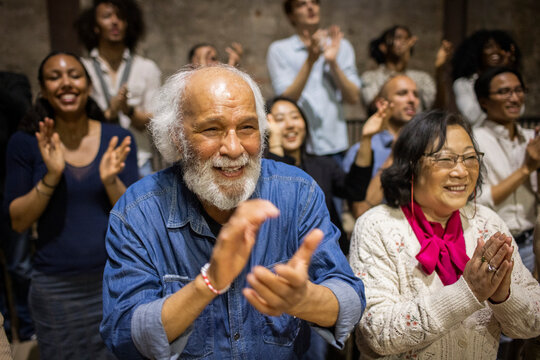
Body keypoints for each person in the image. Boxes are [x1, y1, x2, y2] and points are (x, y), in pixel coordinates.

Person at [100, 65, 365, 359]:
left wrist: (304, 299)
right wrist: (207, 285)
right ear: (177, 137)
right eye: (212, 129)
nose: (234, 148)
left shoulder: (297, 192)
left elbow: (351, 300)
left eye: (247, 128)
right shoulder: (139, 211)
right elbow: (124, 333)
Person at [349, 110, 540, 359]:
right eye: (446, 159)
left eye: (470, 158)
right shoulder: (378, 225)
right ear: (411, 165)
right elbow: (375, 334)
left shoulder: (486, 222)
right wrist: (468, 291)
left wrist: (504, 296)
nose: (461, 171)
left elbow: (532, 323)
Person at [3, 52, 138, 359]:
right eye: (54, 77)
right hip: (55, 289)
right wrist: (51, 175)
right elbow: (18, 221)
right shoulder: (26, 143)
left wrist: (109, 181)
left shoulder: (117, 138)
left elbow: (136, 218)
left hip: (116, 279)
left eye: (74, 75)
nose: (66, 83)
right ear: (43, 88)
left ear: (88, 85)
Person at [266, 96, 371, 254]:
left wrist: (367, 138)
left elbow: (355, 190)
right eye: (279, 120)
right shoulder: (262, 170)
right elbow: (281, 202)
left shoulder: (323, 165)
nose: (289, 125)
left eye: (295, 117)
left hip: (331, 255)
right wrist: (275, 143)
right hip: (287, 258)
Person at [76, 0, 162, 177]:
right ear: (95, 26)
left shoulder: (146, 68)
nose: (115, 22)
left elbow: (155, 120)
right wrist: (110, 113)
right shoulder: (82, 68)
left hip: (138, 159)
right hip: (93, 158)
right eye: (107, 16)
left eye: (121, 17)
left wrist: (128, 110)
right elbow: (77, 120)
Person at [267, 0, 361, 159]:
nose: (310, 7)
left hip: (335, 143)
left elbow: (353, 97)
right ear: (291, 15)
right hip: (300, 147)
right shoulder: (279, 50)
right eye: (302, 4)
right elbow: (286, 99)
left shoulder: (341, 46)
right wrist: (310, 60)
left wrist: (332, 62)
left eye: (315, 2)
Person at [473, 67, 537, 274]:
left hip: (533, 238)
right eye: (504, 92)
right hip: (495, 245)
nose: (515, 98)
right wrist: (526, 168)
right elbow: (479, 200)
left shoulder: (531, 138)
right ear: (483, 101)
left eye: (519, 90)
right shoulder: (473, 140)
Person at [343, 75, 420, 218]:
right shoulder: (361, 150)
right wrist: (394, 155)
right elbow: (359, 212)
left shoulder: (425, 145)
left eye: (415, 94)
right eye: (402, 93)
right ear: (381, 103)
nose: (412, 99)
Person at [361, 25, 450, 111]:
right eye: (398, 38)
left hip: (415, 126)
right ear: (383, 47)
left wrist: (440, 71)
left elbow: (438, 109)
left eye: (407, 39)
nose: (403, 42)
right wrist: (400, 66)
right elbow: (373, 107)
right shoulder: (370, 77)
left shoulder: (422, 78)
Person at [452, 29, 521, 127]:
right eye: (489, 47)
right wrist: (490, 76)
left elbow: (519, 110)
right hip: (480, 136)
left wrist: (505, 72)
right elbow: (472, 117)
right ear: (477, 52)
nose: (496, 51)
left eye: (500, 47)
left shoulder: (507, 81)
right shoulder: (464, 83)